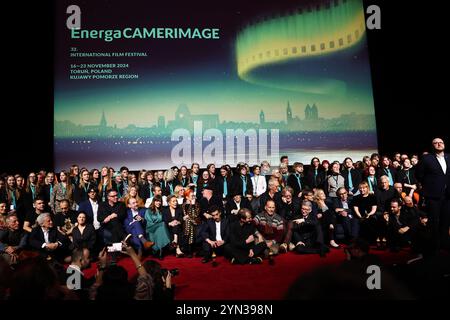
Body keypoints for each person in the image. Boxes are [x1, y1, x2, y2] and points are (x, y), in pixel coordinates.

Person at [415, 137, 450, 252]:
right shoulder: (426, 158)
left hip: (448, 195)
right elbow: (419, 175)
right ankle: (434, 246)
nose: (439, 144)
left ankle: (444, 244)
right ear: (432, 146)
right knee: (434, 222)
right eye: (436, 143)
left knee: (446, 221)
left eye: (441, 142)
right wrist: (429, 185)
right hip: (433, 196)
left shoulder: (449, 157)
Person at [145, 195, 171, 259]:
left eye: (160, 201)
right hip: (150, 228)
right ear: (153, 201)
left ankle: (159, 250)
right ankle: (160, 249)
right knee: (162, 224)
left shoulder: (161, 210)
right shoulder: (149, 210)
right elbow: (149, 222)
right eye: (156, 201)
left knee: (161, 228)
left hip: (159, 227)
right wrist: (158, 224)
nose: (158, 203)